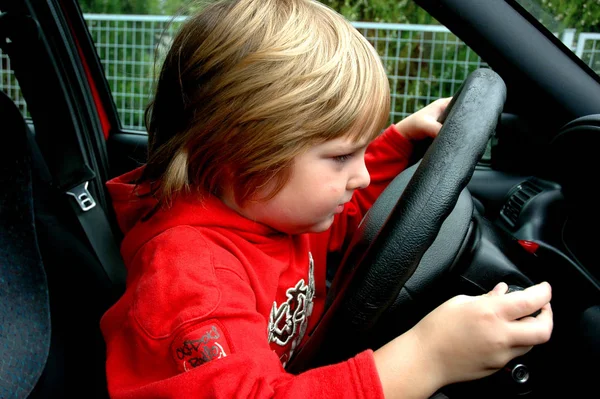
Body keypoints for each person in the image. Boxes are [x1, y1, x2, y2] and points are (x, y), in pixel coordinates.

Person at [100, 0, 553, 398]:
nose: (360, 175)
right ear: (234, 157)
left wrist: (397, 141)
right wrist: (427, 356)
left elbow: (345, 224)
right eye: (340, 157)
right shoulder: (190, 282)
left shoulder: (274, 211)